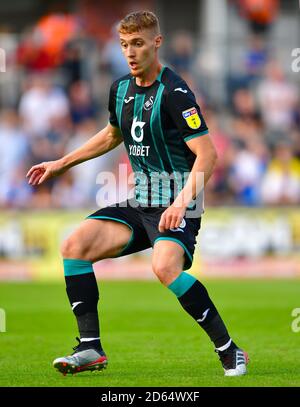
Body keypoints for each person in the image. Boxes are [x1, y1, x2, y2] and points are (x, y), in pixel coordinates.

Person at [27, 11, 249, 377]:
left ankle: (229, 350)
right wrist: (63, 162)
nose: (130, 52)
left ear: (156, 43)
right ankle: (90, 349)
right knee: (74, 246)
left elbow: (208, 154)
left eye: (139, 44)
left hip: (178, 201)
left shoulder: (175, 92)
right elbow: (113, 134)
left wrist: (180, 203)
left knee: (164, 268)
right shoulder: (119, 89)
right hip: (140, 199)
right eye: (125, 45)